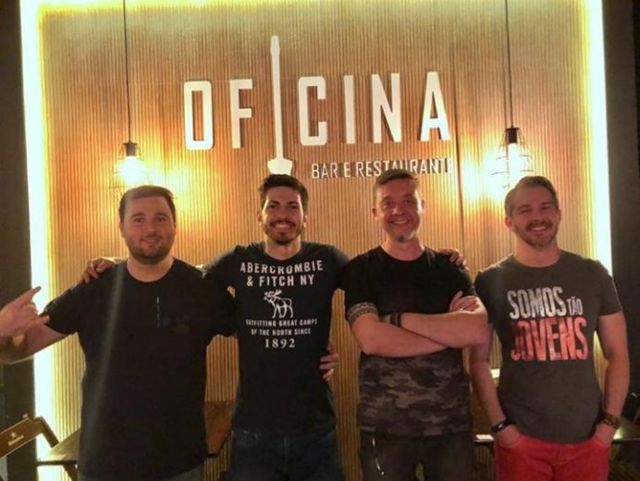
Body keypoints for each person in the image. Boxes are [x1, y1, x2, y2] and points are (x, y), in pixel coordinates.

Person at [0, 185, 236, 481]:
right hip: (104, 466)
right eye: (138, 219)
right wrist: (3, 331)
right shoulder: (92, 290)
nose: (150, 228)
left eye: (160, 218)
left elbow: (258, 336)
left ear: (175, 225)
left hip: (180, 464)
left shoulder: (202, 290)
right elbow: (17, 350)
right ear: (121, 228)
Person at [469, 176, 629, 481]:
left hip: (587, 439)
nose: (537, 217)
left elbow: (618, 353)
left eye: (545, 207)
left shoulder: (592, 274)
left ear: (558, 214)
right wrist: (501, 427)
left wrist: (608, 426)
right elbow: (478, 360)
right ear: (509, 221)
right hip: (520, 440)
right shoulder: (490, 281)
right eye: (525, 210)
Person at [343, 168, 488, 481]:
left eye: (409, 201)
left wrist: (398, 320)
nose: (399, 210)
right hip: (385, 428)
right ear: (375, 212)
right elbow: (372, 340)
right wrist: (448, 333)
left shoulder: (450, 268)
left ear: (423, 206)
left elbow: (475, 330)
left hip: (450, 426)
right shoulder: (360, 270)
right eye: (388, 203)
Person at [203, 174, 348, 481]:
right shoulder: (239, 259)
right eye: (273, 206)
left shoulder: (327, 259)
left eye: (292, 206)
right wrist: (119, 265)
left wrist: (444, 258)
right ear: (260, 215)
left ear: (305, 216)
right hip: (253, 431)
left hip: (316, 430)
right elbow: (189, 280)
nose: (283, 214)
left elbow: (374, 280)